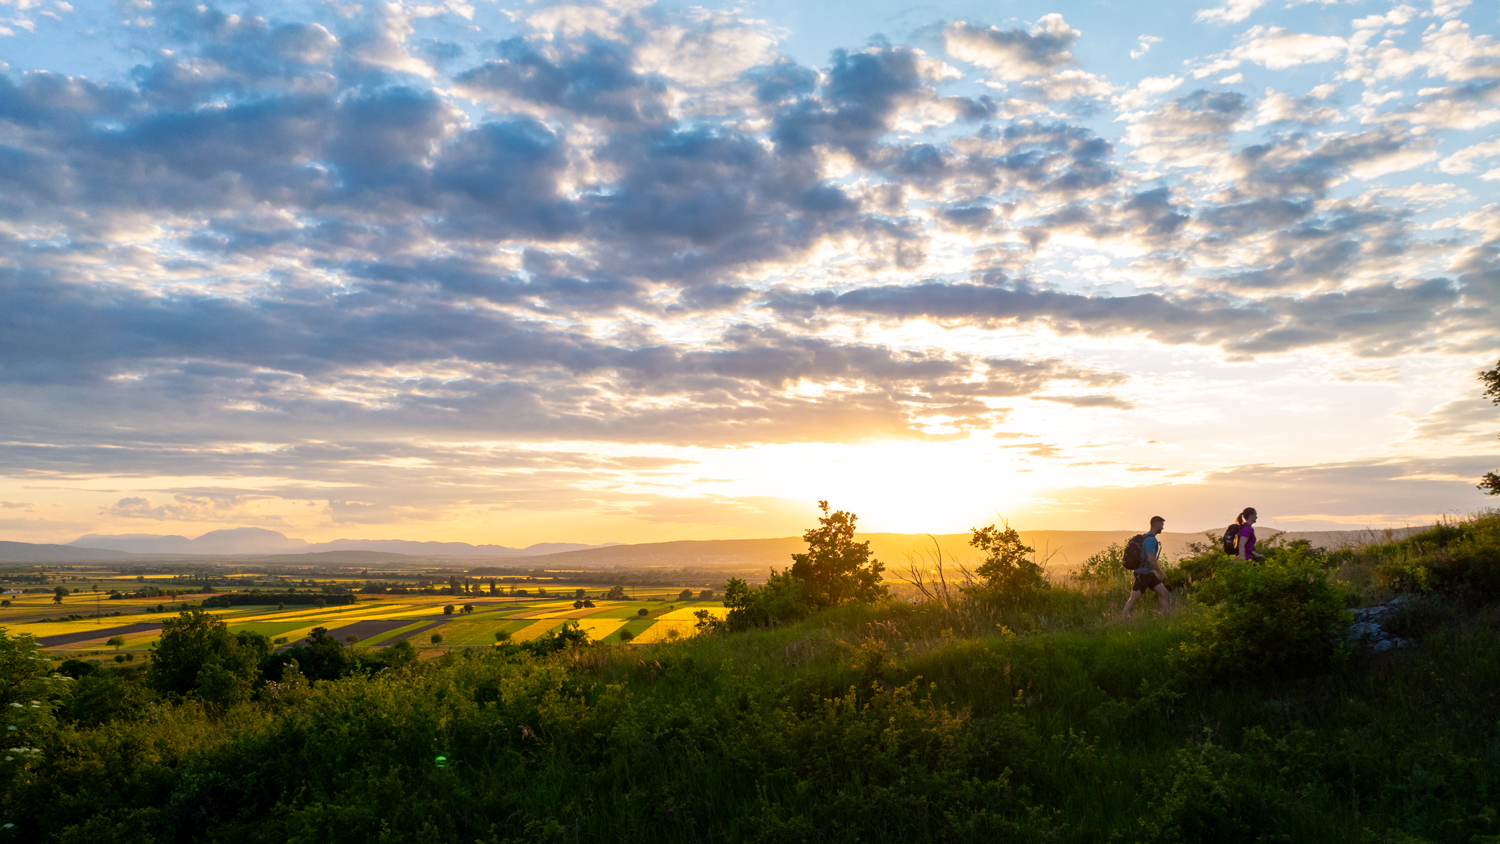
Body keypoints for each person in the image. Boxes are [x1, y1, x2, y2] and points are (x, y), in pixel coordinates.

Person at [1123, 515, 1170, 616]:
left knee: (1164, 593)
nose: (1162, 527)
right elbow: (1151, 559)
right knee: (1134, 599)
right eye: (1161, 525)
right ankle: (1123, 619)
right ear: (1156, 524)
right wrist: (1161, 574)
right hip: (1143, 574)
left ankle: (1166, 617)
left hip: (1148, 574)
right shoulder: (1151, 540)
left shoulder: (1146, 537)